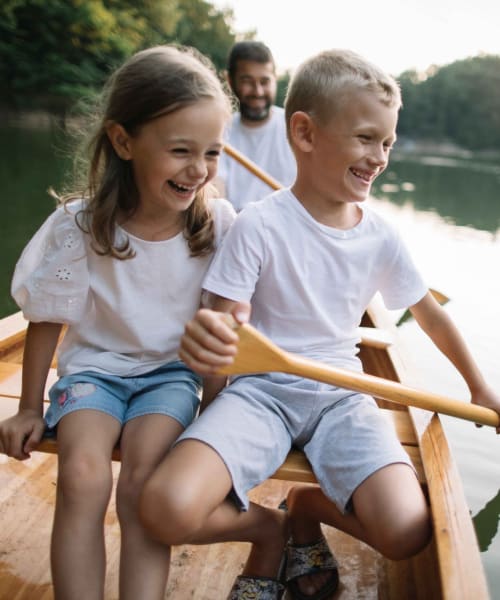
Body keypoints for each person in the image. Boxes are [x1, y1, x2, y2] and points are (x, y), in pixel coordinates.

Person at [138, 49, 500, 600]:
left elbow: (427, 313)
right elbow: (219, 327)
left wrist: (480, 387)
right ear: (304, 134)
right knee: (164, 507)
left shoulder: (380, 235)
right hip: (258, 393)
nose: (379, 156)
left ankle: (307, 506)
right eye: (364, 138)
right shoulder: (258, 225)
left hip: (343, 395)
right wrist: (212, 415)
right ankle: (268, 531)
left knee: (406, 531)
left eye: (387, 142)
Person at [0, 45, 235, 600]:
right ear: (124, 141)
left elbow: (228, 322)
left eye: (212, 152)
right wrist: (31, 406)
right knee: (82, 475)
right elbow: (46, 318)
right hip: (93, 373)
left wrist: (220, 408)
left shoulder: (219, 225)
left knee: (140, 485)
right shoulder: (78, 225)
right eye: (181, 150)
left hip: (169, 377)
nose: (198, 170)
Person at [216, 40, 296, 211]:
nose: (258, 92)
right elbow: (216, 192)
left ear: (275, 79)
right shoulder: (218, 131)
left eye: (265, 81)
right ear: (229, 81)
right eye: (247, 81)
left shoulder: (297, 130)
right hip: (234, 230)